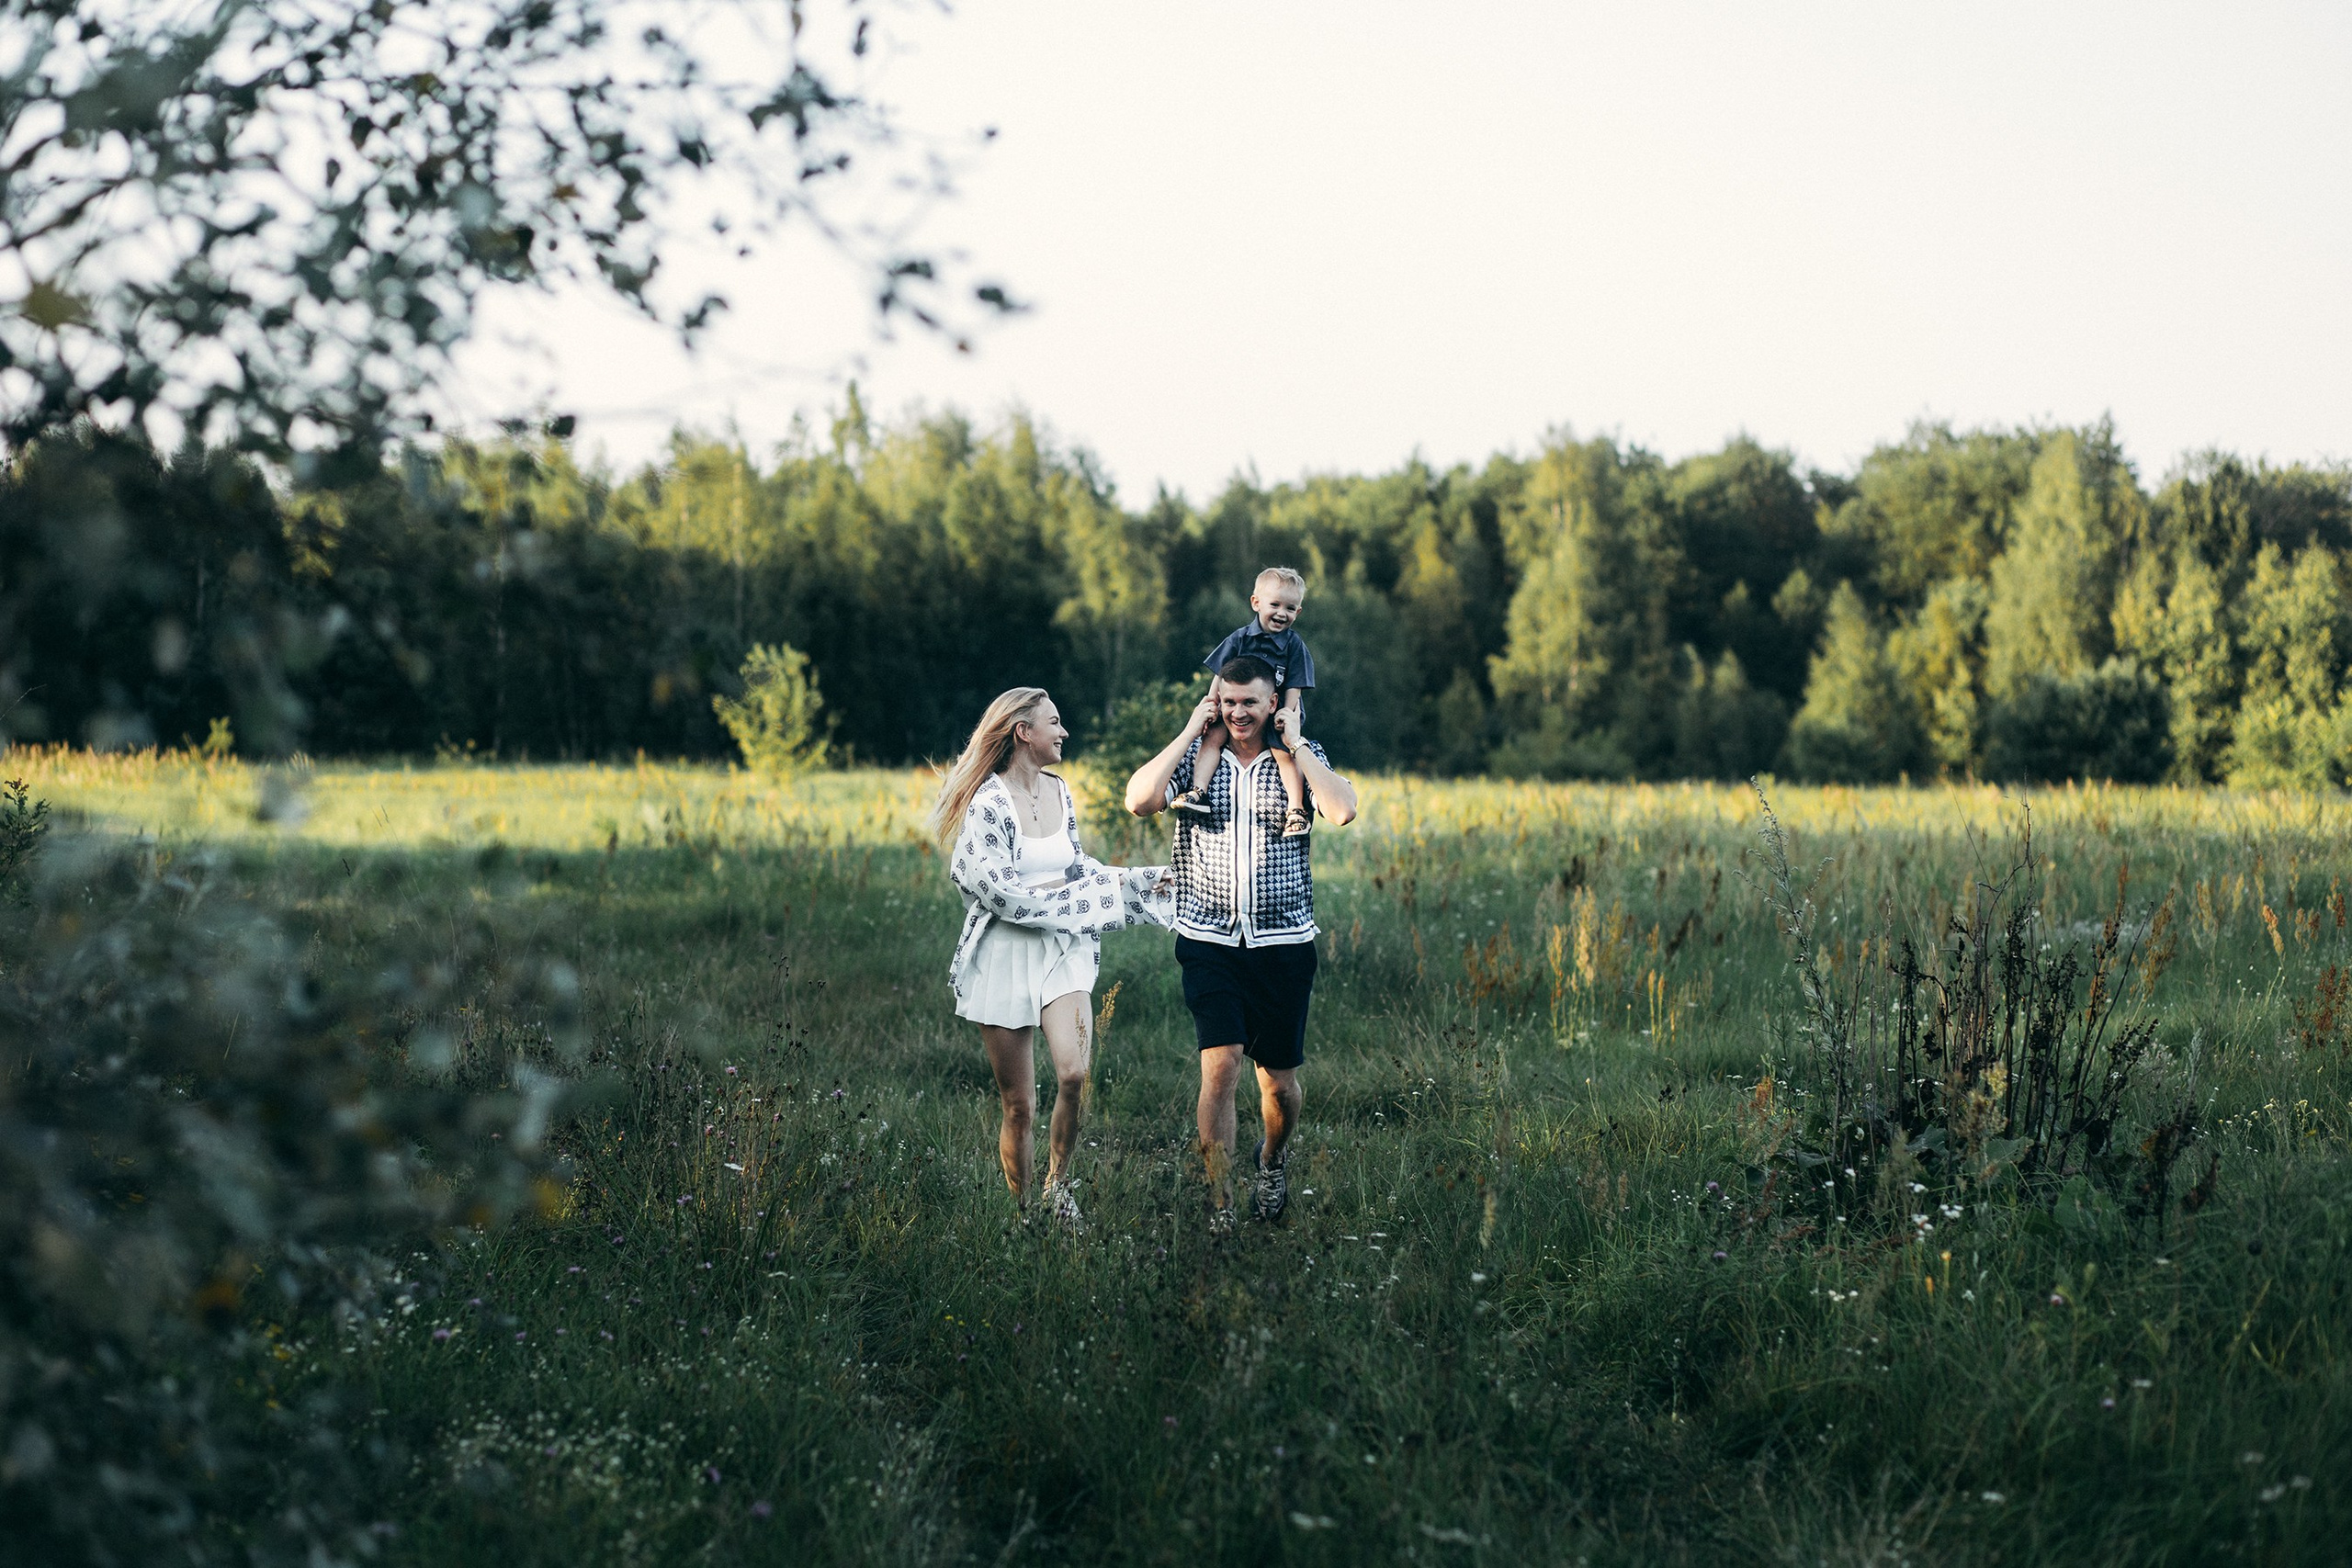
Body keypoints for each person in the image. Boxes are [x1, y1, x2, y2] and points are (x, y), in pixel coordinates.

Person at [1123, 655, 1358, 1229]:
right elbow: (1139, 799)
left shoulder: (1297, 759)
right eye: (1229, 702)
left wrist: (1298, 745)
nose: (1238, 712)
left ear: (1273, 702)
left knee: (1277, 1085)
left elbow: (1343, 809)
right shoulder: (1202, 758)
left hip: (1283, 943)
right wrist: (1187, 731)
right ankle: (1221, 1202)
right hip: (1208, 938)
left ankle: (1273, 1160)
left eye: (1249, 702)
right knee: (1221, 1066)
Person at [930, 687, 1173, 1227]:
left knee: (1074, 1075)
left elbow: (1078, 870)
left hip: (1063, 948)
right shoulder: (987, 804)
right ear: (1024, 732)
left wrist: (1143, 883)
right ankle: (1022, 1217)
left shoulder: (1061, 793)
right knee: (1019, 1107)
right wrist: (1070, 903)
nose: (1063, 732)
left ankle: (1056, 1192)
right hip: (1004, 956)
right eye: (1054, 723)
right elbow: (996, 890)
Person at [1170, 566, 1317, 837]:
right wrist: (1211, 704)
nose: (1281, 613)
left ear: (1298, 612)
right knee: (1211, 738)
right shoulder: (1239, 639)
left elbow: (1295, 686)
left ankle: (1296, 810)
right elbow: (1220, 675)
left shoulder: (1295, 646)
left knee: (1284, 752)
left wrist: (1288, 716)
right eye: (1275, 605)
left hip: (1276, 711)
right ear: (1256, 603)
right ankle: (1198, 792)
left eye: (1290, 608)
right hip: (1234, 708)